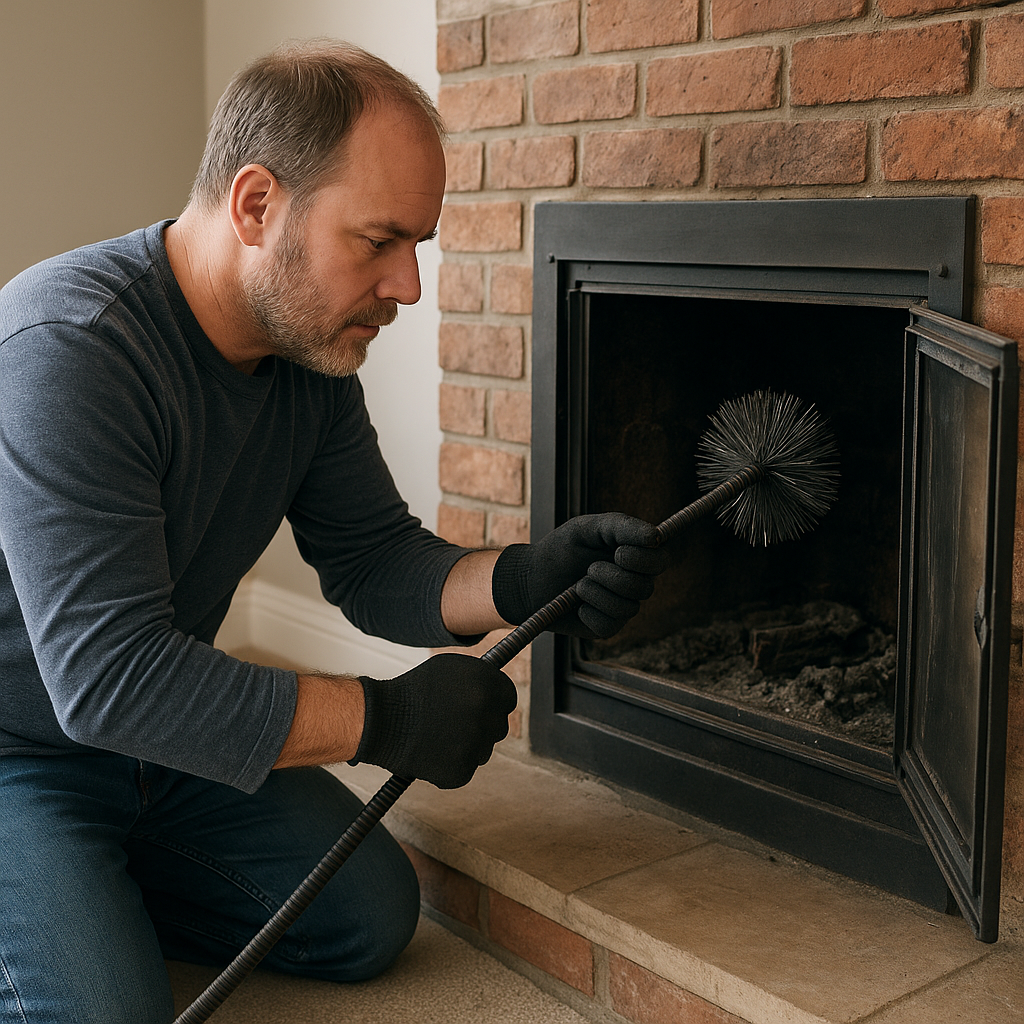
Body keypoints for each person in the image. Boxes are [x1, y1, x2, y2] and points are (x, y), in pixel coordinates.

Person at [0, 40, 667, 1024]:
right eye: (379, 240)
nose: (406, 285)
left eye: (419, 248)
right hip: (19, 746)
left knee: (366, 917)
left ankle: (81, 890)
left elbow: (371, 559)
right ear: (257, 204)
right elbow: (108, 678)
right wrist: (380, 717)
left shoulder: (301, 356)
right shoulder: (73, 350)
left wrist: (527, 578)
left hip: (144, 744)